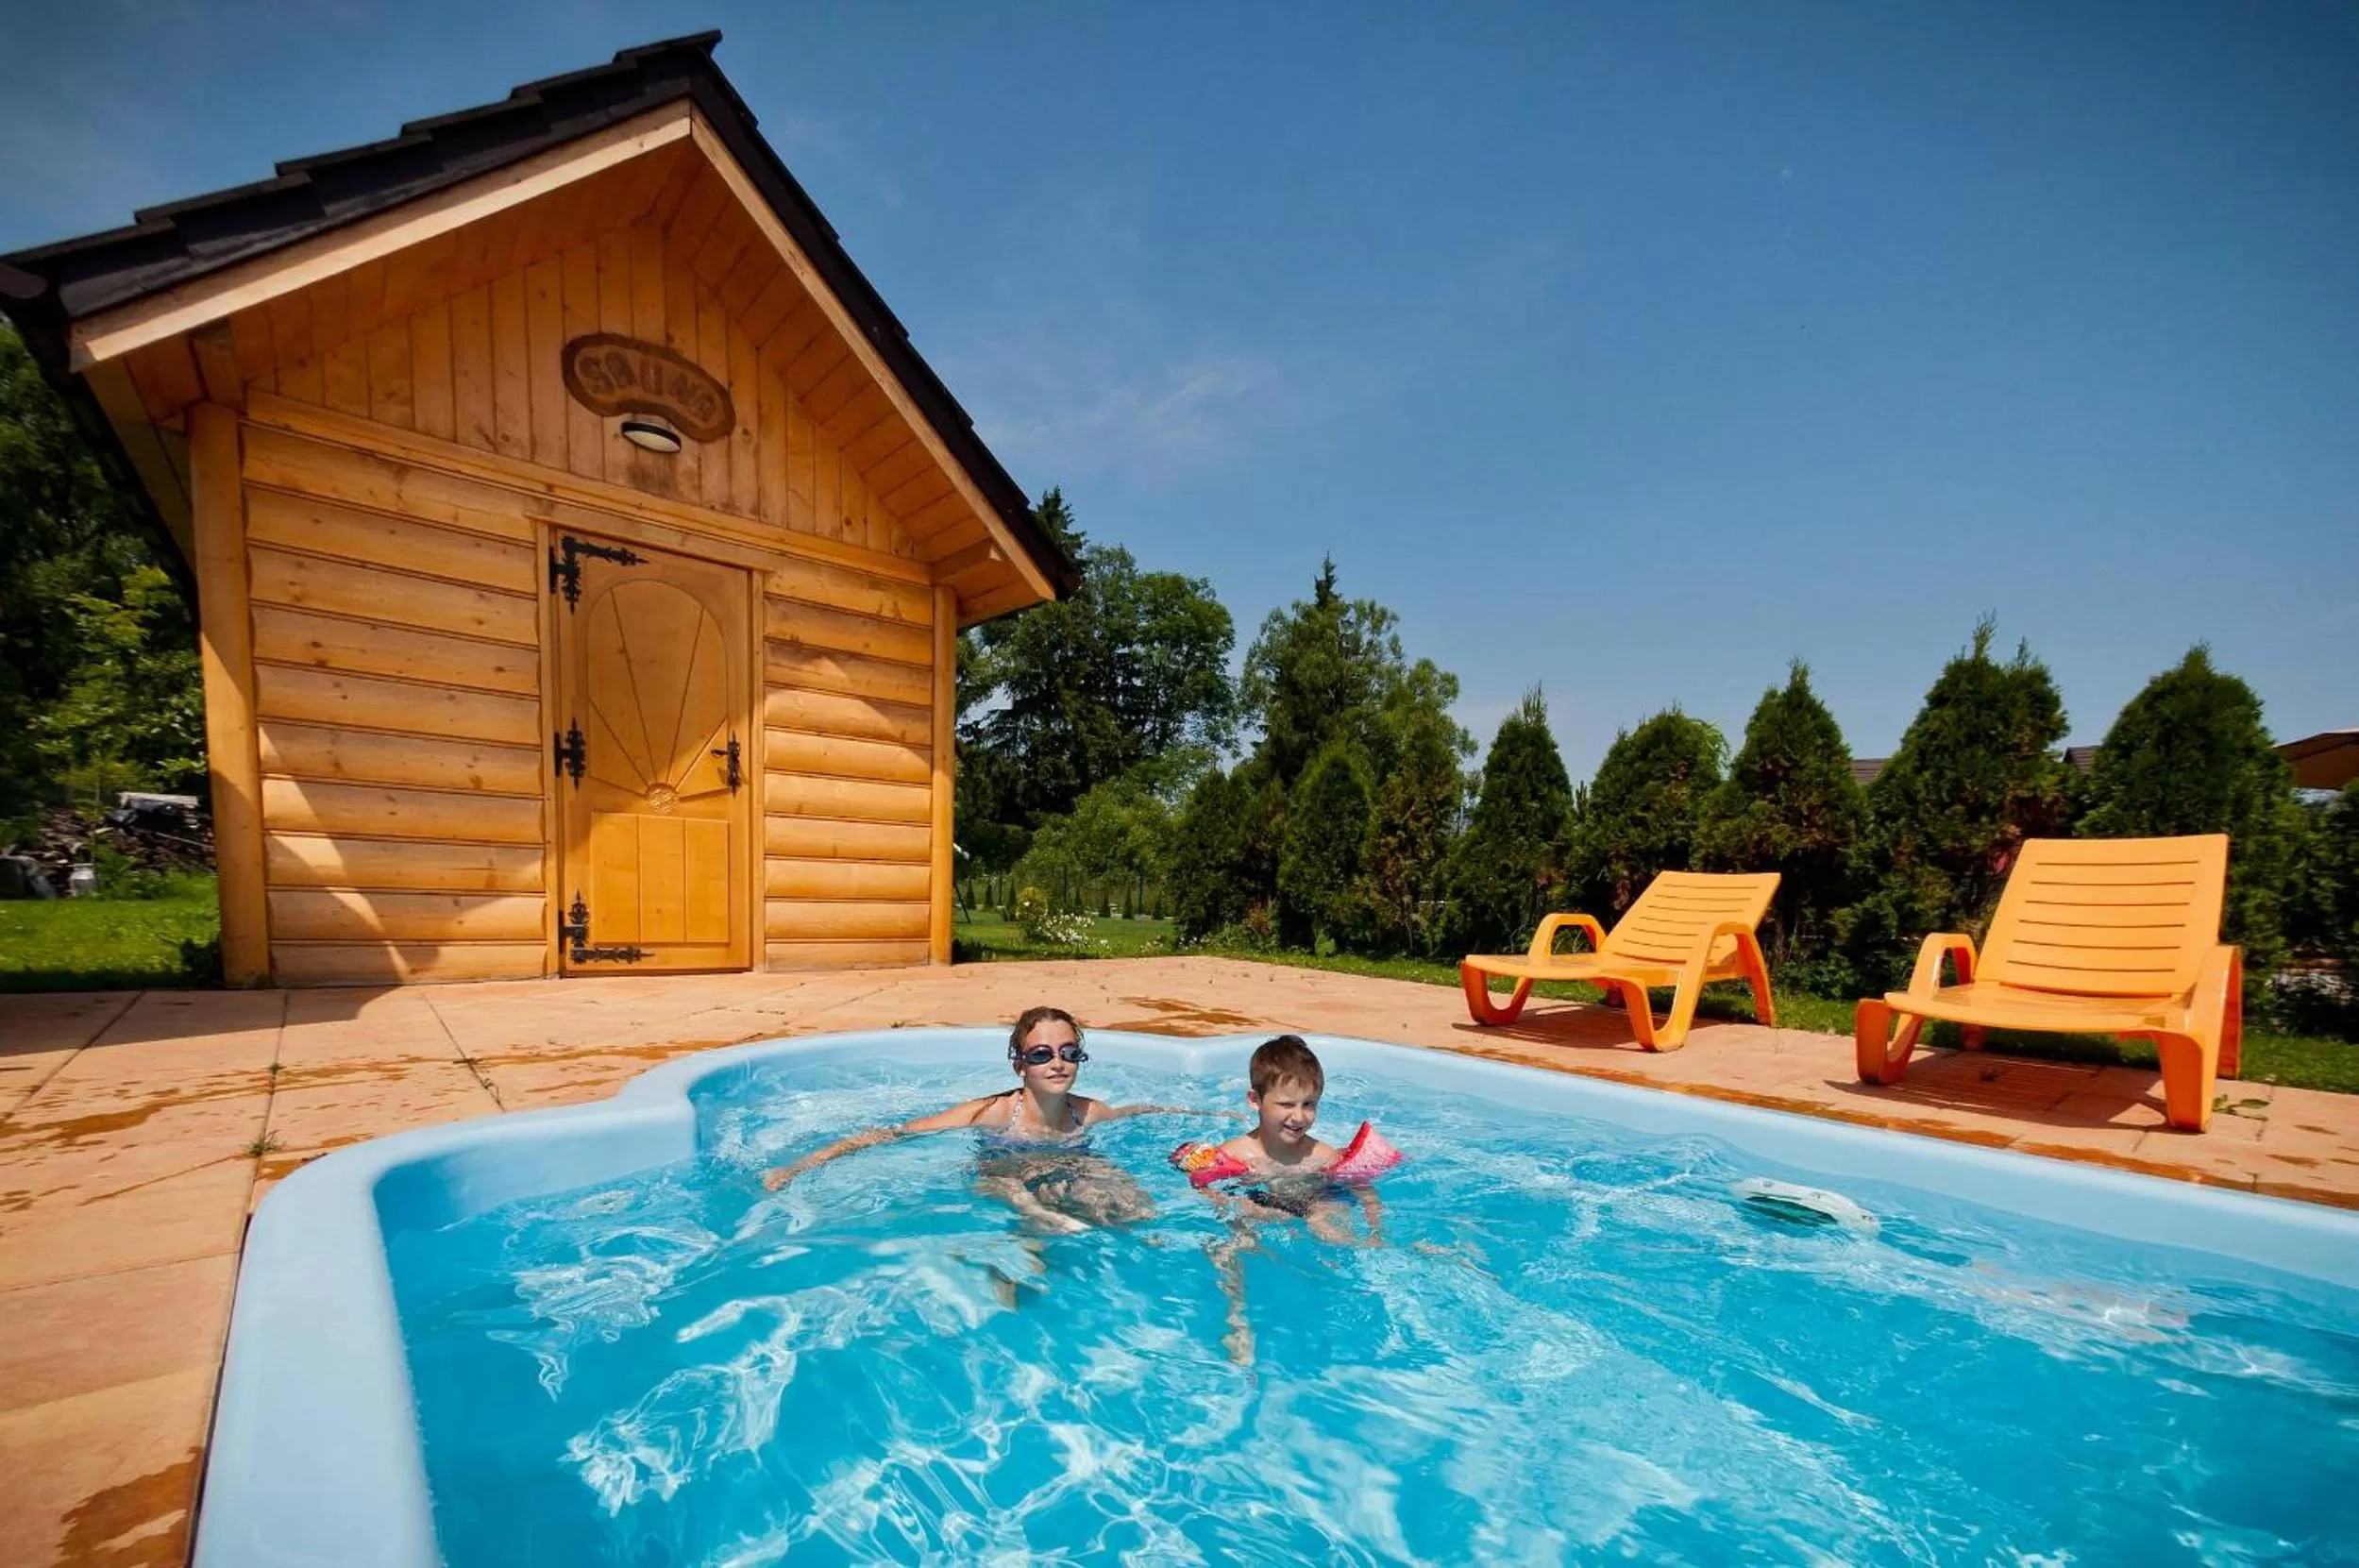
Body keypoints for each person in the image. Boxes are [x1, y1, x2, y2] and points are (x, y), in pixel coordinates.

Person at [760, 1005, 1190, 1235]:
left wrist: (1191, 1113)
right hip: (1002, 1172)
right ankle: (1033, 1232)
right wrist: (799, 1166)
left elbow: (1135, 1112)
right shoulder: (991, 1113)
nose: (1058, 1063)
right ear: (1019, 1065)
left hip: (1066, 1163)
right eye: (1041, 1055)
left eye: (1069, 1052)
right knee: (1018, 1189)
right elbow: (892, 1135)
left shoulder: (1086, 1112)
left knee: (1137, 1209)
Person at [1191, 1035, 1383, 1363]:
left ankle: (1344, 1290)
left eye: (1309, 1104)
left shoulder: (1321, 1156)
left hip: (1314, 1199)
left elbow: (1365, 1192)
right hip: (1258, 1201)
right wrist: (1235, 1206)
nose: (1299, 1117)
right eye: (1287, 1104)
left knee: (1327, 1228)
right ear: (1255, 1100)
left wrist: (1375, 1230)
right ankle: (1236, 1317)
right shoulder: (1234, 1154)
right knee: (1231, 1245)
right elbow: (1203, 1188)